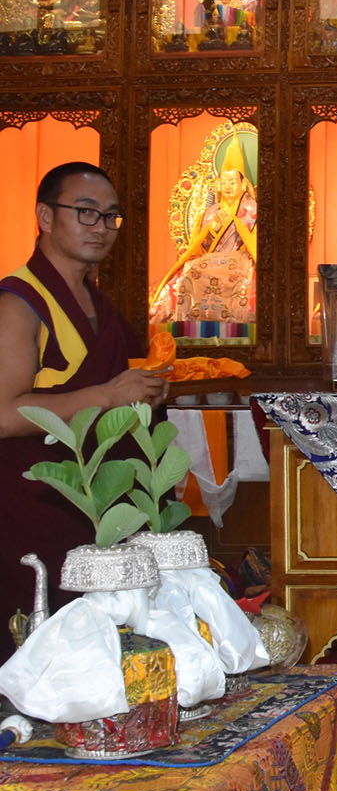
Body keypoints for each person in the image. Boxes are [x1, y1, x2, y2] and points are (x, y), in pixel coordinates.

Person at [0, 162, 169, 661]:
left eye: (111, 216)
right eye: (86, 212)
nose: (101, 227)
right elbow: (3, 414)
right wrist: (109, 396)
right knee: (43, 643)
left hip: (96, 500)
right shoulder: (19, 302)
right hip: (36, 501)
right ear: (45, 217)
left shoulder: (97, 305)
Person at [150, 132, 258, 325]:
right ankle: (182, 325)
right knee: (185, 278)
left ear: (243, 184)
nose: (227, 186)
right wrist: (211, 230)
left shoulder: (252, 210)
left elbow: (256, 246)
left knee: (245, 284)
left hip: (241, 262)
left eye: (232, 181)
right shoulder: (210, 212)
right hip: (210, 262)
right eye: (223, 182)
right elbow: (198, 249)